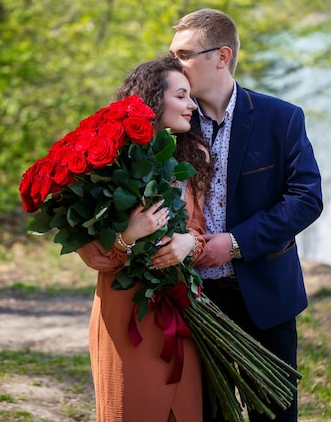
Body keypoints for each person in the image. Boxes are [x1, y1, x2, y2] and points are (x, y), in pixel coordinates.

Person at [169, 8, 323, 422]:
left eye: (184, 55)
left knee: (274, 414)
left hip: (266, 294)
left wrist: (234, 244)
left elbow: (306, 198)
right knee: (207, 414)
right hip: (195, 299)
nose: (174, 65)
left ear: (221, 56)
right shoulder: (170, 123)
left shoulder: (281, 118)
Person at [77, 56, 213, 422]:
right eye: (182, 96)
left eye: (192, 98)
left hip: (180, 305)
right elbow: (91, 249)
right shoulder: (109, 160)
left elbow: (199, 228)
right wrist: (128, 236)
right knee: (130, 408)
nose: (191, 105)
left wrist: (189, 244)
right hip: (125, 311)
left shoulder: (193, 155)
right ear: (154, 100)